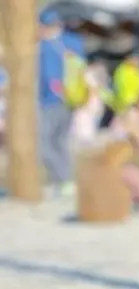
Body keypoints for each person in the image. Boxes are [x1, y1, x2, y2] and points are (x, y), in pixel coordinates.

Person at [36, 9, 87, 196]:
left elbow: (47, 77)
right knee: (61, 141)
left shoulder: (44, 47)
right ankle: (66, 181)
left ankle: (62, 179)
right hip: (71, 99)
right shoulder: (74, 42)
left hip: (50, 101)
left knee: (42, 143)